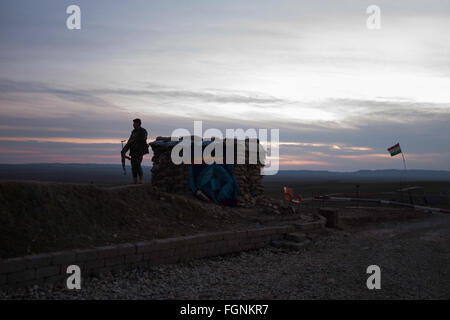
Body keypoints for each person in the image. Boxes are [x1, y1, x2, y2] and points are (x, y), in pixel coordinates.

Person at [121, 119, 148, 184]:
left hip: (139, 151)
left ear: (138, 123)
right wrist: (124, 150)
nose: (133, 125)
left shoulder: (143, 131)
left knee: (137, 164)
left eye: (134, 123)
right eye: (133, 123)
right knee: (133, 166)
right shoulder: (133, 132)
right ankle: (135, 180)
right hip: (133, 151)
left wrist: (134, 141)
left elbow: (143, 139)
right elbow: (130, 141)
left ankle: (141, 179)